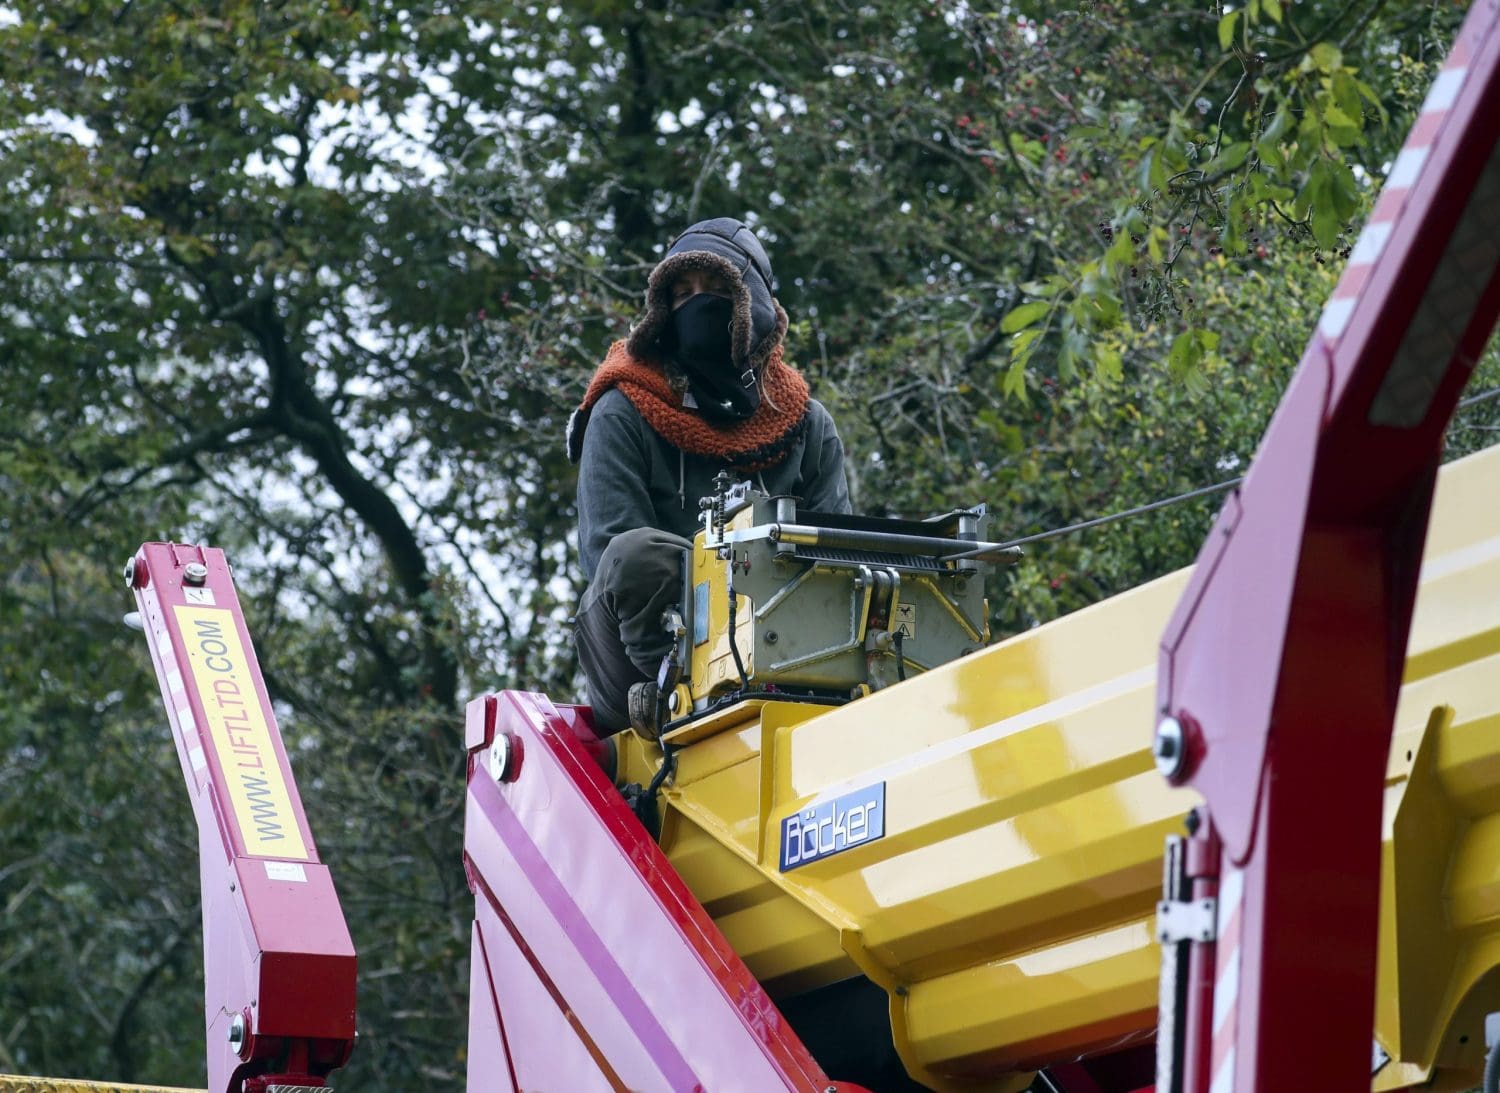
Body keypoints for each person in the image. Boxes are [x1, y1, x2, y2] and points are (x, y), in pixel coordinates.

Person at [567, 217, 852, 736]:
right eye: (683, 294)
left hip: (780, 650)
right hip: (640, 670)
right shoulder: (622, 409)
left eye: (721, 291)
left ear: (756, 309)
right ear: (661, 314)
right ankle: (683, 698)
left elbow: (836, 554)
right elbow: (608, 559)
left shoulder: (805, 426)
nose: (700, 305)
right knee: (637, 554)